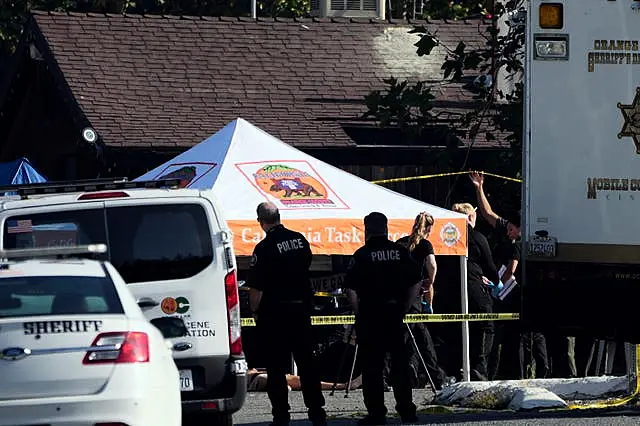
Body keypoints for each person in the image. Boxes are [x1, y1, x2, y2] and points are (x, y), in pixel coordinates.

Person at [247, 202, 327, 426]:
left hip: (275, 315)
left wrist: (255, 311)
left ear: (260, 221)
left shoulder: (264, 248)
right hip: (301, 311)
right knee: (307, 363)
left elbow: (256, 288)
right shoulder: (300, 240)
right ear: (279, 216)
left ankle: (281, 416)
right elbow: (306, 264)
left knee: (275, 368)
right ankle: (317, 413)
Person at [469, 171, 550, 380]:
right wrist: (479, 188)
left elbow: (511, 271)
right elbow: (488, 214)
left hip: (518, 295)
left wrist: (496, 284)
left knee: (520, 338)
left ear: (521, 228)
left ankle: (526, 375)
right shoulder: (510, 230)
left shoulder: (521, 245)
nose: (509, 232)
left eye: (512, 229)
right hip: (508, 293)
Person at [345, 212, 421, 425]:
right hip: (394, 316)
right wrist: (405, 306)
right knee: (400, 365)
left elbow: (350, 289)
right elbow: (416, 281)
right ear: (386, 229)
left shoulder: (361, 254)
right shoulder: (401, 252)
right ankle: (407, 411)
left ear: (366, 230)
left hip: (370, 317)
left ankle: (377, 414)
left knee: (372, 368)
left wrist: (358, 311)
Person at [396, 212, 451, 390]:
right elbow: (432, 265)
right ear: (429, 228)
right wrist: (430, 281)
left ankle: (407, 370)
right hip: (415, 296)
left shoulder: (401, 243)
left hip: (398, 297)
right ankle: (436, 378)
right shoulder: (425, 244)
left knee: (406, 336)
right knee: (421, 338)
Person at [452, 202, 499, 381]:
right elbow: (490, 267)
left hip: (451, 290)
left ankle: (458, 369)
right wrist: (495, 280)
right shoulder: (477, 238)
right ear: (471, 217)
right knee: (485, 326)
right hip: (474, 289)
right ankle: (479, 367)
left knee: (458, 330)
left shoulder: (447, 237)